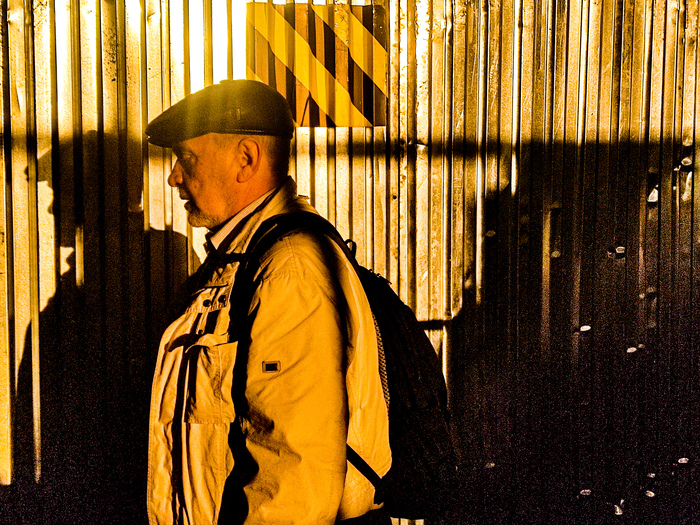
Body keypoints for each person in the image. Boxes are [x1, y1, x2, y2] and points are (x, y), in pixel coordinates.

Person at [144, 79, 392, 524]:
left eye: (187, 158)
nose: (174, 176)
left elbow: (293, 481)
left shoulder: (288, 269)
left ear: (246, 158)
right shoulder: (243, 260)